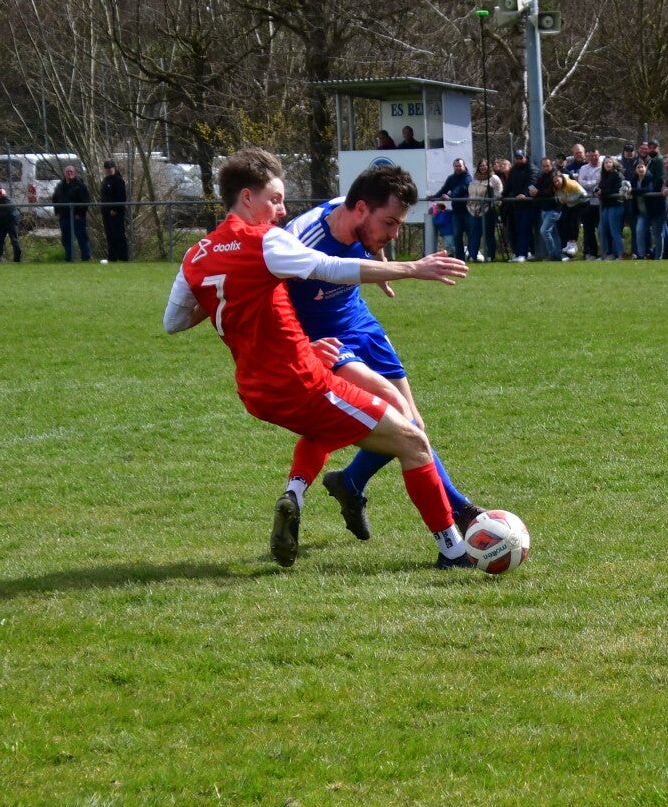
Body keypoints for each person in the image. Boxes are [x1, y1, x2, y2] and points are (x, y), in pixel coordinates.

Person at [162, 149, 471, 569]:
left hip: (255, 391)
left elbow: (174, 322)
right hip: (302, 380)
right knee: (411, 437)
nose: (282, 210)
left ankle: (301, 491)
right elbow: (330, 267)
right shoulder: (269, 241)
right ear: (247, 197)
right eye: (275, 199)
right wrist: (411, 268)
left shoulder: (196, 255)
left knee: (338, 427)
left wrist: (232, 290)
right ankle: (454, 550)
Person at [282, 164, 485, 542]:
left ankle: (349, 482)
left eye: (398, 225)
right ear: (361, 209)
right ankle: (463, 512)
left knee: (413, 424)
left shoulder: (362, 211)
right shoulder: (300, 239)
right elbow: (266, 297)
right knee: (398, 422)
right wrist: (298, 346)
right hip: (325, 341)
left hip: (359, 322)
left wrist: (382, 264)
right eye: (389, 224)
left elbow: (372, 234)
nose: (394, 233)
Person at [430, 157, 473, 260]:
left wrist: (450, 196)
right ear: (453, 167)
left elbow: (461, 188)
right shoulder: (451, 178)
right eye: (456, 166)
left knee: (471, 235)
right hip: (457, 212)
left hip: (468, 211)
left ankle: (472, 256)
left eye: (460, 166)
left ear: (464, 166)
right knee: (457, 235)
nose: (458, 168)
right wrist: (434, 197)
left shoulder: (468, 177)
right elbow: (444, 189)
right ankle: (460, 258)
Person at [51, 163, 92, 261]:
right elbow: (55, 199)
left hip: (77, 217)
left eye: (71, 171)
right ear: (64, 173)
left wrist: (80, 214)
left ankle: (86, 258)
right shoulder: (60, 185)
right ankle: (69, 258)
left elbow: (86, 201)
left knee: (82, 238)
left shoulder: (80, 185)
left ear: (75, 173)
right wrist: (57, 212)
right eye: (67, 172)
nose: (69, 173)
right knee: (66, 239)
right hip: (64, 217)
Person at [502, 149, 535, 261]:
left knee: (524, 229)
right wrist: (502, 195)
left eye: (521, 158)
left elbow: (532, 183)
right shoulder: (514, 170)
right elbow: (509, 185)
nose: (519, 160)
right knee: (518, 230)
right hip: (517, 205)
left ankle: (523, 254)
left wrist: (525, 194)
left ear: (525, 157)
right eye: (517, 158)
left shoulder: (531, 169)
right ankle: (521, 253)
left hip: (529, 205)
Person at [636, 157, 668, 259]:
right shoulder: (634, 180)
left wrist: (631, 191)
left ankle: (658, 257)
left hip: (656, 211)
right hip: (643, 212)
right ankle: (641, 255)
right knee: (639, 230)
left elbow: (648, 189)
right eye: (638, 167)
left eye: (642, 167)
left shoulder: (651, 177)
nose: (640, 169)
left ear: (646, 168)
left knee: (657, 234)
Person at [97, 160, 130, 261]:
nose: (108, 170)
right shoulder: (105, 180)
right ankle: (112, 256)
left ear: (114, 168)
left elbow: (121, 197)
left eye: (110, 168)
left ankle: (123, 257)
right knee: (110, 235)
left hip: (116, 213)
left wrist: (115, 209)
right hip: (106, 213)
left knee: (118, 234)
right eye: (107, 168)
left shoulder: (118, 180)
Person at [597, 155, 628, 259]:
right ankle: (606, 253)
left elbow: (616, 190)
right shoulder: (603, 176)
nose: (608, 164)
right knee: (601, 230)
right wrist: (597, 191)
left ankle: (620, 254)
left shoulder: (618, 175)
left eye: (610, 162)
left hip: (616, 205)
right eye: (606, 162)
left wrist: (603, 192)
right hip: (606, 206)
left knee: (615, 231)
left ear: (614, 163)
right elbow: (600, 188)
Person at [0, 180, 22, 263]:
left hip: (10, 215)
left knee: (14, 238)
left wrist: (1, 191)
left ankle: (17, 259)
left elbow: (0, 190)